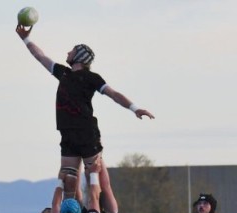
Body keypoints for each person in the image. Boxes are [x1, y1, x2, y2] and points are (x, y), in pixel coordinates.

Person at [15, 24, 154, 198]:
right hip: (67, 133)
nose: (67, 53)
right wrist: (25, 38)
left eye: (71, 51)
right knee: (69, 182)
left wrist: (134, 108)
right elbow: (40, 56)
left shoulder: (92, 78)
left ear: (80, 56)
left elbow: (113, 94)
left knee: (94, 180)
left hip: (87, 133)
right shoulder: (63, 73)